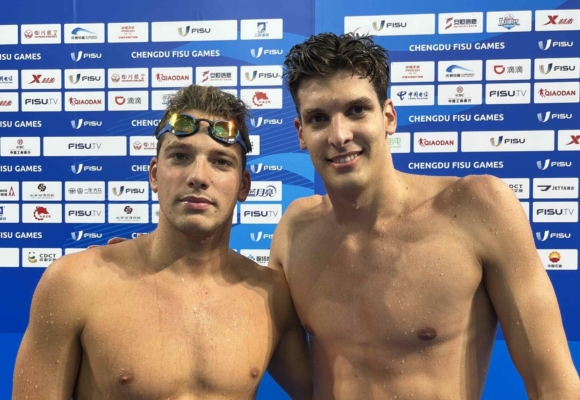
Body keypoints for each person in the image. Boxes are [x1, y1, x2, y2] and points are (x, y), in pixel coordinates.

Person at [267, 33, 580, 399]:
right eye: (319, 118)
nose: (339, 135)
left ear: (388, 117)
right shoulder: (295, 230)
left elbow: (553, 383)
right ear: (301, 133)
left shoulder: (475, 208)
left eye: (357, 110)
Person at [13, 85, 312, 400]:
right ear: (155, 174)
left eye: (221, 162)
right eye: (180, 157)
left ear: (243, 185)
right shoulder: (76, 284)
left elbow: (332, 389)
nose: (199, 176)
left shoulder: (270, 298)